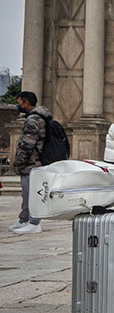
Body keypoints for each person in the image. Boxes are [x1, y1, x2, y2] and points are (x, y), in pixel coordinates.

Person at [9, 91, 52, 234]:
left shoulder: (33, 120)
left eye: (20, 103)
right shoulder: (41, 117)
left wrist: (18, 162)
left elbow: (27, 144)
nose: (19, 106)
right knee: (27, 193)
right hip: (35, 161)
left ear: (26, 103)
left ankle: (34, 222)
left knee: (31, 194)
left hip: (31, 162)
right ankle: (24, 219)